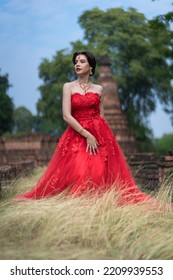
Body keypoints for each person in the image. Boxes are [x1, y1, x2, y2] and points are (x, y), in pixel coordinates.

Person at [14, 51, 171, 209]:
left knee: (98, 173)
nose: (77, 64)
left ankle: (99, 207)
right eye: (76, 61)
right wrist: (87, 134)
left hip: (99, 136)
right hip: (77, 135)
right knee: (80, 172)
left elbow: (101, 116)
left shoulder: (99, 89)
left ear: (91, 67)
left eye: (82, 61)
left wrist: (101, 137)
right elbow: (67, 116)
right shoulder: (68, 87)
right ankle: (77, 206)